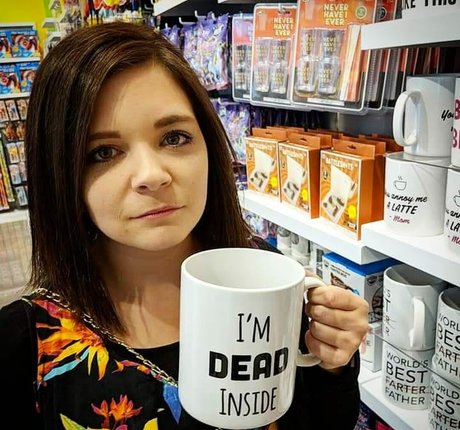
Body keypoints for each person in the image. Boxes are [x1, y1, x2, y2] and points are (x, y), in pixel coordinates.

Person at [0, 22, 369, 429]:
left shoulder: (265, 278)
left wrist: (333, 360)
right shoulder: (26, 345)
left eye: (174, 138)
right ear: (61, 175)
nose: (152, 175)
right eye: (103, 152)